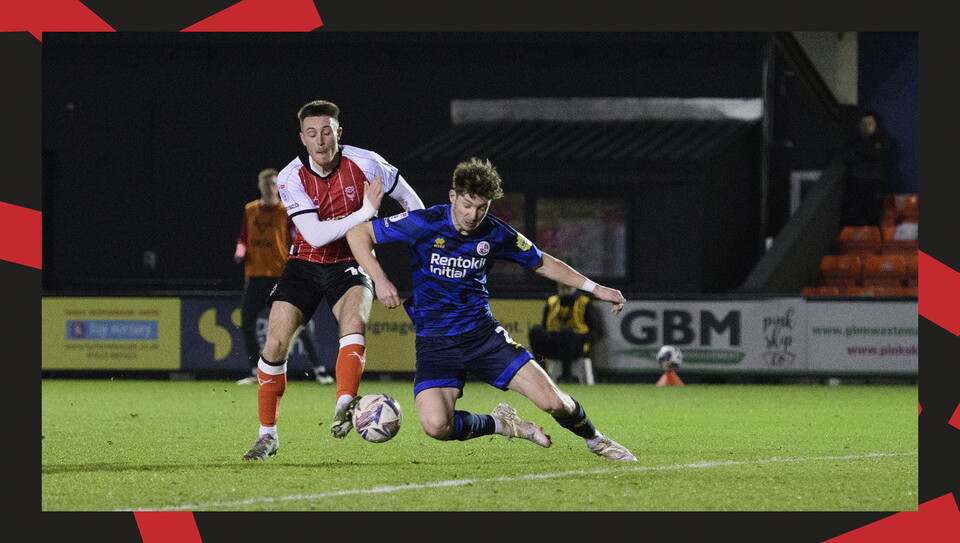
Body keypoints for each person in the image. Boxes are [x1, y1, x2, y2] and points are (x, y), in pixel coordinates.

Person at [346, 157, 636, 461]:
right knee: (436, 426)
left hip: (484, 339)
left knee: (555, 403)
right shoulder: (424, 222)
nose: (473, 215)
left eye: (482, 207)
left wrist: (596, 288)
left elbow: (543, 262)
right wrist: (379, 279)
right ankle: (503, 424)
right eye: (468, 205)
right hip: (435, 344)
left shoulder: (496, 232)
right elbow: (358, 234)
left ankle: (596, 440)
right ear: (453, 196)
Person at [242, 100, 425, 460]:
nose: (321, 140)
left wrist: (396, 237)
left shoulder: (369, 162)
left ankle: (345, 403)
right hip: (304, 263)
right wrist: (367, 213)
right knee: (275, 345)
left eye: (327, 132)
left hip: (352, 262)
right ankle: (267, 436)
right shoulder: (290, 177)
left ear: (338, 133)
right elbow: (315, 235)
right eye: (312, 134)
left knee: (353, 322)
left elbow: (412, 204)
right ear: (303, 139)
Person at [233, 168, 334, 386]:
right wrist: (240, 250)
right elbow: (243, 236)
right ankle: (255, 370)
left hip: (281, 276)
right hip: (256, 275)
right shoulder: (250, 210)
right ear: (260, 185)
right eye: (267, 183)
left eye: (274, 183)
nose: (271, 188)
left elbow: (296, 237)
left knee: (300, 322)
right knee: (246, 322)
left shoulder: (285, 211)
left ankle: (320, 370)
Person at [528, 280, 604, 384]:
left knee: (566, 333)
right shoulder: (552, 302)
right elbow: (544, 328)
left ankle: (567, 376)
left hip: (576, 347)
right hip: (554, 344)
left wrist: (577, 337)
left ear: (575, 288)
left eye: (568, 288)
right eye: (562, 288)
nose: (565, 291)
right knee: (535, 331)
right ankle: (541, 371)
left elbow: (596, 333)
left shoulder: (584, 303)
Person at [841, 110, 896, 227]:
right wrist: (869, 150)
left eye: (870, 124)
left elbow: (879, 153)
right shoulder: (853, 139)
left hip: (876, 182)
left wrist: (862, 151)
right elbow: (849, 156)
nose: (866, 127)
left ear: (876, 125)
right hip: (857, 183)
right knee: (856, 215)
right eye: (863, 123)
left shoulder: (883, 138)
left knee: (874, 215)